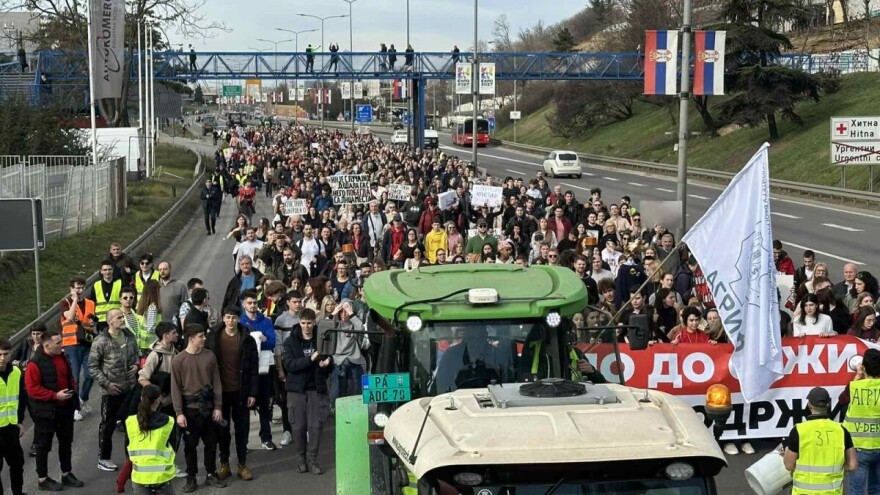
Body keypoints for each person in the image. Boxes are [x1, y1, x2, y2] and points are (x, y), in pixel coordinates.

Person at [25, 330, 85, 491]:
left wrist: (72, 392)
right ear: (47, 345)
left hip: (64, 408)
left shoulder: (61, 356)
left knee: (66, 442)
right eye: (58, 343)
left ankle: (66, 474)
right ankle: (42, 479)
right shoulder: (34, 364)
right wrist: (54, 396)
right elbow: (32, 390)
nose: (62, 345)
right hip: (45, 412)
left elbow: (69, 376)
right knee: (43, 446)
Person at [170, 324, 226, 492]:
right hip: (190, 410)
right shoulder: (178, 360)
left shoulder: (210, 356)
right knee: (190, 446)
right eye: (200, 336)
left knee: (211, 443)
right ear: (191, 338)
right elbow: (175, 389)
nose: (204, 338)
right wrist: (179, 413)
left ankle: (211, 473)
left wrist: (218, 407)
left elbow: (217, 382)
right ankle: (191, 477)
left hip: (208, 408)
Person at [206, 306, 258, 482]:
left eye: (234, 318)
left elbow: (253, 368)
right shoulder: (213, 337)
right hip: (220, 395)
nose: (230, 321)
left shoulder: (247, 339)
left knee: (242, 430)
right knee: (222, 430)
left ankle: (242, 465)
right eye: (228, 318)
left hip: (241, 394)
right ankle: (224, 465)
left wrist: (252, 392)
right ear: (222, 318)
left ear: (239, 319)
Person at [282, 309, 332, 475]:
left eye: (309, 323)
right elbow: (289, 365)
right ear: (299, 322)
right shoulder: (290, 341)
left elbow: (329, 362)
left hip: (316, 388)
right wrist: (310, 360)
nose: (306, 326)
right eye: (303, 323)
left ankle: (312, 459)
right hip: (297, 389)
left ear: (314, 322)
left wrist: (327, 363)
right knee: (298, 426)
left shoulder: (322, 339)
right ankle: (301, 458)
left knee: (316, 426)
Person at [89, 309, 139, 472]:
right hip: (111, 391)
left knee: (131, 424)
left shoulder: (129, 336)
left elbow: (136, 354)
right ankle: (103, 458)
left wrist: (137, 365)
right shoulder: (101, 341)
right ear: (110, 321)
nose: (122, 319)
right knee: (108, 424)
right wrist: (107, 384)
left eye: (122, 316)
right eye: (119, 317)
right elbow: (93, 366)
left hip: (129, 388)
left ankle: (131, 458)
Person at [784, 387, 857, 493]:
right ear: (828, 405)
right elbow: (852, 465)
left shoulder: (799, 430)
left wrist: (786, 452)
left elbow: (789, 466)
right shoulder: (841, 430)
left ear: (809, 405)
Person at [239, 289, 280, 451]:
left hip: (264, 368)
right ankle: (244, 443)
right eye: (249, 303)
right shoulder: (241, 322)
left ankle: (266, 437)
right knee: (244, 408)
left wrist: (257, 339)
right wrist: (259, 337)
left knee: (264, 403)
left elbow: (271, 343)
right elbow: (242, 345)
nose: (253, 305)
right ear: (243, 305)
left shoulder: (266, 321)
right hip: (247, 369)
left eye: (255, 302)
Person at [125, 384, 179, 495]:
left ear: (141, 398)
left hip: (140, 478)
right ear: (158, 400)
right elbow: (174, 446)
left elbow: (127, 450)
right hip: (162, 477)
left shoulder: (130, 422)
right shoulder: (168, 421)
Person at [842, 348, 880, 494]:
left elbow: (842, 400)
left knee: (856, 490)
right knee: (876, 488)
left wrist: (857, 376)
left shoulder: (854, 387)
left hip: (858, 447)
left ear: (863, 367)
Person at [59, 276, 95, 422]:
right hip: (71, 344)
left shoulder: (90, 303)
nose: (79, 291)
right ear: (71, 289)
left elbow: (91, 321)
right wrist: (74, 299)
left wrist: (92, 324)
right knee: (74, 377)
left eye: (81, 288)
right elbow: (69, 317)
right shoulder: (65, 303)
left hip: (86, 342)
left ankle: (83, 398)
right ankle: (75, 408)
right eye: (76, 288)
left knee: (90, 374)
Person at [0, 337, 26, 495]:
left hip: (11, 427)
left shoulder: (16, 372)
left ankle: (18, 492)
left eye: (6, 354)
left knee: (17, 464)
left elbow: (21, 398)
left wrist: (21, 421)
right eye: (0, 354)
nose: (2, 358)